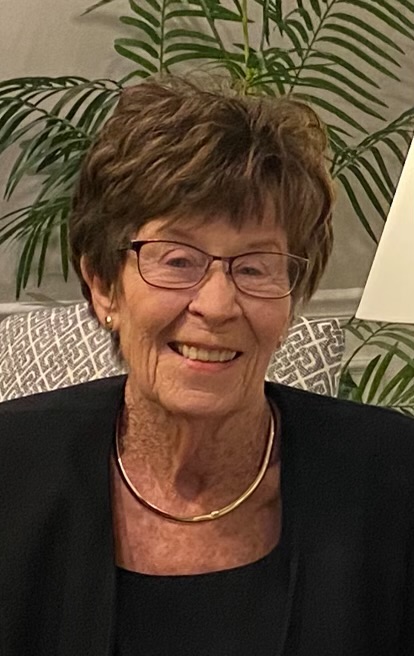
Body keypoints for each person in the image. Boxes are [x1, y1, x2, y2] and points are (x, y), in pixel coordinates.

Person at [1, 77, 414, 656]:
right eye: (177, 260)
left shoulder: (395, 478)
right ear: (102, 285)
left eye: (256, 267)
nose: (218, 305)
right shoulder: (11, 469)